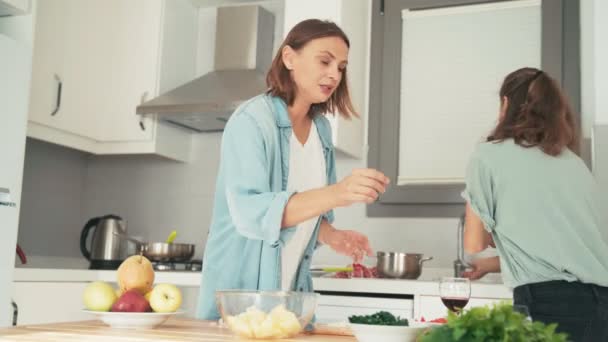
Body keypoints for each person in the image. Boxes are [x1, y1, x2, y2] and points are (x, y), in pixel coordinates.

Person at [196, 19, 390, 320]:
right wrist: (338, 193)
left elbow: (303, 214)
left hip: (289, 293)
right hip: (241, 294)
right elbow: (251, 213)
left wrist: (330, 234)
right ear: (289, 58)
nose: (334, 74)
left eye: (341, 67)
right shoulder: (251, 120)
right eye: (324, 61)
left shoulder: (322, 130)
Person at [461, 67, 608, 341]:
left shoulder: (488, 155)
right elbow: (567, 253)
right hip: (600, 306)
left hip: (547, 305)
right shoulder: (573, 163)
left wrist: (484, 229)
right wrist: (492, 265)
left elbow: (472, 244)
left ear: (506, 104)